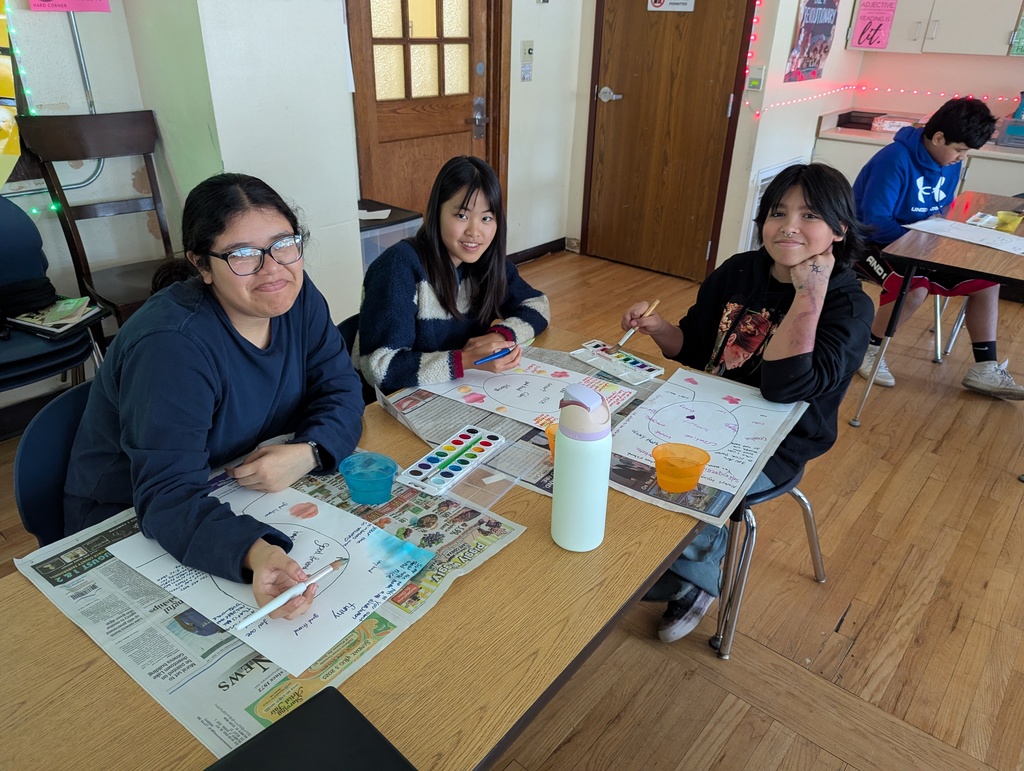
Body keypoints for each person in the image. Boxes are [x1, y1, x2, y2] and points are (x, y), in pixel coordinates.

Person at [64, 173, 365, 621]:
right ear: (202, 266)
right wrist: (253, 552)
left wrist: (310, 451)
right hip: (132, 515)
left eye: (283, 243)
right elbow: (165, 495)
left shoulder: (296, 297)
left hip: (232, 485)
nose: (272, 269)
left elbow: (342, 387)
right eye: (242, 255)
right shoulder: (173, 345)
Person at [620, 163, 873, 643]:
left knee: (694, 488)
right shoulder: (739, 270)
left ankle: (695, 581)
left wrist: (810, 289)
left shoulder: (849, 305)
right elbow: (694, 349)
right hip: (706, 412)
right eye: (778, 213)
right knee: (619, 452)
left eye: (810, 215)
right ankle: (657, 557)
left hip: (780, 441)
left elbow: (786, 387)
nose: (790, 226)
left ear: (839, 229)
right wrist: (659, 330)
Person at [852, 97, 1023, 399]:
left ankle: (985, 366)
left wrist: (944, 237)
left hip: (921, 241)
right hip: (870, 242)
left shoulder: (948, 161)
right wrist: (922, 245)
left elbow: (942, 208)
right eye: (959, 150)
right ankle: (869, 348)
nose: (961, 158)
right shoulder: (893, 160)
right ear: (939, 137)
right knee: (913, 288)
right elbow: (875, 221)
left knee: (986, 281)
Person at [355, 156, 550, 392]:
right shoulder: (398, 267)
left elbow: (538, 304)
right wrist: (466, 360)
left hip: (457, 388)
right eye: (462, 216)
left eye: (487, 218)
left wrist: (502, 335)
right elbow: (380, 369)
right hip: (393, 401)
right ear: (436, 212)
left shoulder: (485, 263)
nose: (475, 232)